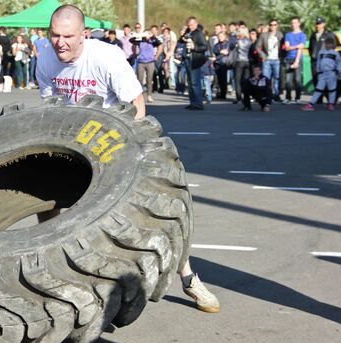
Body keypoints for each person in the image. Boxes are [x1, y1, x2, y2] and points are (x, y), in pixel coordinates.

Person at [37, 4, 218, 313]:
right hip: (75, 142)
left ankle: (188, 278)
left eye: (68, 36)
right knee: (45, 200)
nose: (60, 43)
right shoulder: (45, 59)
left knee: (158, 211)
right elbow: (50, 108)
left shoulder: (105, 57)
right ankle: (58, 269)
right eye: (55, 35)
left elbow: (137, 107)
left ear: (85, 34)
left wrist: (120, 155)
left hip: (117, 142)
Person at [301, 39, 340, 111]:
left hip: (331, 73)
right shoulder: (321, 53)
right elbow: (318, 62)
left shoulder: (335, 53)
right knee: (318, 89)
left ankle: (331, 104)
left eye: (330, 44)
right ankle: (311, 104)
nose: (328, 45)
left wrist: (338, 71)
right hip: (322, 74)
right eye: (327, 44)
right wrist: (318, 71)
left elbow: (339, 63)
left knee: (332, 89)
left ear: (333, 45)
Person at [308, 17, 337, 104]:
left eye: (320, 23)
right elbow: (310, 47)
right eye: (317, 23)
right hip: (314, 60)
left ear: (324, 24)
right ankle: (318, 99)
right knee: (316, 79)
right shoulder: (313, 35)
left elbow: (333, 46)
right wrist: (311, 56)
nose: (318, 25)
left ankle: (330, 100)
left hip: (324, 61)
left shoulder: (328, 34)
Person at [182, 17, 208, 110]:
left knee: (195, 82)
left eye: (192, 25)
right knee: (189, 82)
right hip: (188, 59)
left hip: (195, 60)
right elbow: (180, 42)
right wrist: (182, 36)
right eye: (189, 25)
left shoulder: (199, 33)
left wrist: (194, 47)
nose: (190, 26)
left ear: (196, 24)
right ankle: (193, 102)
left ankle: (198, 103)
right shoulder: (189, 32)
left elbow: (205, 46)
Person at [256, 19, 283, 102]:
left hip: (277, 59)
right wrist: (263, 56)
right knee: (266, 79)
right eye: (271, 25)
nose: (273, 26)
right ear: (269, 26)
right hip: (267, 60)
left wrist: (282, 56)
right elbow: (257, 47)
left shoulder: (280, 35)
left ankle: (276, 95)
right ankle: (266, 95)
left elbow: (284, 46)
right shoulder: (264, 35)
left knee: (277, 78)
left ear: (277, 26)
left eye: (274, 25)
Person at [282, 17, 306, 104]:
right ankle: (288, 97)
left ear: (299, 23)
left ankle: (298, 98)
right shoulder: (288, 35)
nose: (293, 25)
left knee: (298, 79)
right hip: (289, 58)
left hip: (298, 58)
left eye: (295, 23)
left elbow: (301, 47)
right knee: (288, 80)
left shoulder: (302, 35)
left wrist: (296, 61)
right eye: (292, 23)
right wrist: (296, 46)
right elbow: (287, 48)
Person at [134, 30, 160, 102]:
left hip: (150, 62)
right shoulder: (140, 41)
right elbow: (131, 40)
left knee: (149, 79)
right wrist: (141, 35)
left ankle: (149, 95)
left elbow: (159, 43)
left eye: (148, 34)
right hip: (141, 62)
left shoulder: (152, 41)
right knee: (140, 79)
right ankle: (140, 96)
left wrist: (152, 36)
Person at [233, 28, 252, 104]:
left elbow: (236, 50)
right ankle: (246, 97)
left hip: (240, 61)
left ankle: (239, 98)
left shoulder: (239, 41)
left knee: (237, 80)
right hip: (247, 61)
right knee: (246, 80)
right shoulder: (249, 42)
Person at [213, 31, 231, 99]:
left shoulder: (228, 44)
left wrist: (219, 55)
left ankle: (223, 94)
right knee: (219, 79)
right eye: (219, 37)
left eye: (222, 36)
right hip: (217, 63)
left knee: (224, 79)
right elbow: (215, 51)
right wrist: (221, 52)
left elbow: (227, 52)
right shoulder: (216, 45)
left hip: (224, 63)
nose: (220, 38)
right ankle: (220, 92)